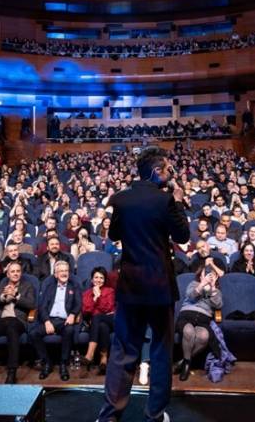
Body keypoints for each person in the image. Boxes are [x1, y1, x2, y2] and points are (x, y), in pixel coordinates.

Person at [99, 146, 190, 422]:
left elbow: (114, 233)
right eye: (168, 168)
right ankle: (155, 415)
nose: (170, 173)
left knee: (123, 351)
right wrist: (176, 200)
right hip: (159, 288)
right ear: (156, 171)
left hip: (130, 287)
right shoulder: (164, 201)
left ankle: (110, 415)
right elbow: (183, 236)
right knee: (161, 354)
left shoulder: (121, 199)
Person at [82, 266, 116, 376]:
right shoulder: (87, 293)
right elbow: (86, 311)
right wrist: (94, 298)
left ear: (105, 280)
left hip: (112, 320)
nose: (99, 280)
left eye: (101, 278)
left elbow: (108, 308)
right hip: (100, 323)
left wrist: (99, 296)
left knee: (96, 317)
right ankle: (104, 359)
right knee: (102, 326)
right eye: (96, 277)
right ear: (92, 279)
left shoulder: (110, 291)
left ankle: (89, 354)